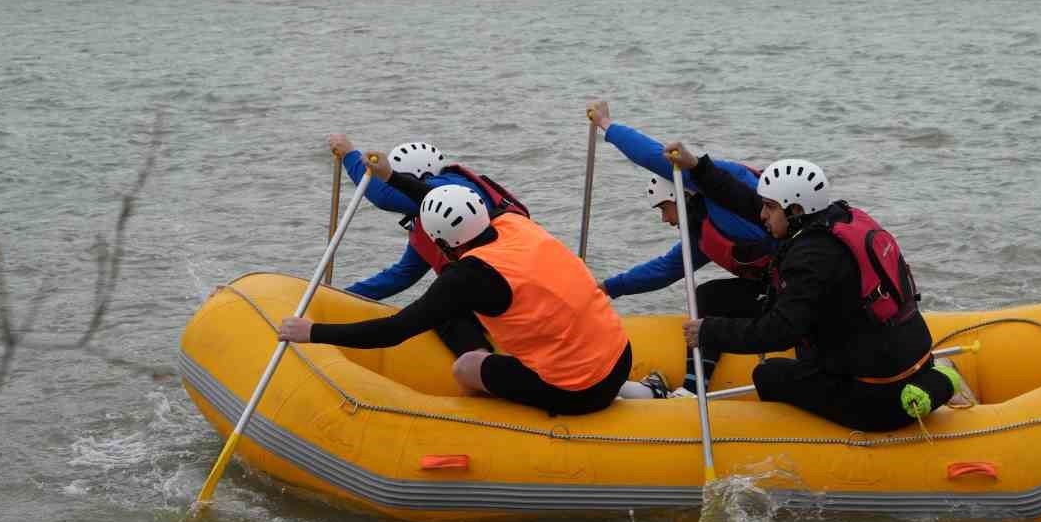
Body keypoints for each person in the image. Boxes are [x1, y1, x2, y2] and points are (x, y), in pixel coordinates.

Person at [662, 142, 963, 432]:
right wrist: (697, 167)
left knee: (768, 374)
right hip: (910, 362)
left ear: (793, 210)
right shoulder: (839, 218)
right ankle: (941, 376)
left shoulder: (812, 258)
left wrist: (709, 331)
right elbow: (746, 202)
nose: (762, 215)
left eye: (769, 207)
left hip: (877, 399)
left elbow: (779, 331)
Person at [278, 174, 632, 416]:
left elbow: (394, 330)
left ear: (443, 243)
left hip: (579, 390)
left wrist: (311, 332)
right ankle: (640, 392)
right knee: (475, 317)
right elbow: (437, 201)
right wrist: (391, 176)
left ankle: (484, 423)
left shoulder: (466, 277)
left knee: (466, 366)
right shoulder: (513, 222)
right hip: (620, 356)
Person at [585, 100, 777, 394]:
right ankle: (693, 386)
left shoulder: (722, 191)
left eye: (665, 209)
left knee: (709, 296)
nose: (665, 219)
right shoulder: (703, 231)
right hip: (776, 287)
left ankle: (693, 386)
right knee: (710, 296)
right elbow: (665, 269)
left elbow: (655, 156)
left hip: (801, 288)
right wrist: (608, 287)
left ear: (681, 193)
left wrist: (606, 125)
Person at [330, 133, 529, 357]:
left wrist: (350, 156)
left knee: (444, 309)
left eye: (400, 181)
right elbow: (401, 275)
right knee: (443, 303)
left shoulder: (452, 190)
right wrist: (337, 296)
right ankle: (482, 364)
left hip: (510, 280)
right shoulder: (433, 222)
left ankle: (482, 365)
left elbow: (384, 196)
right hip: (491, 284)